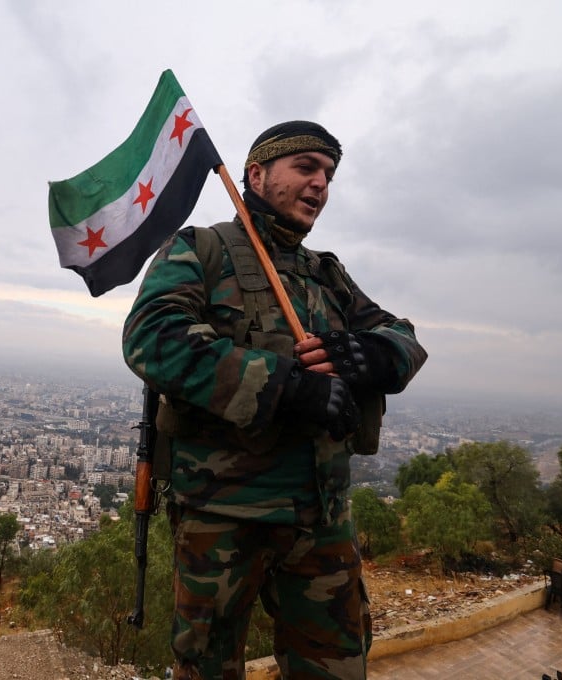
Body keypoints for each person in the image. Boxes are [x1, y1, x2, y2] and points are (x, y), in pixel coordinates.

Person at [122, 121, 427, 680]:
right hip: (222, 520)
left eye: (329, 174)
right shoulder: (201, 250)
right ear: (256, 174)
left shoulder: (325, 273)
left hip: (322, 518)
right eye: (306, 168)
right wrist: (286, 387)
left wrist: (375, 355)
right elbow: (153, 337)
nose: (321, 185)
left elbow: (403, 336)